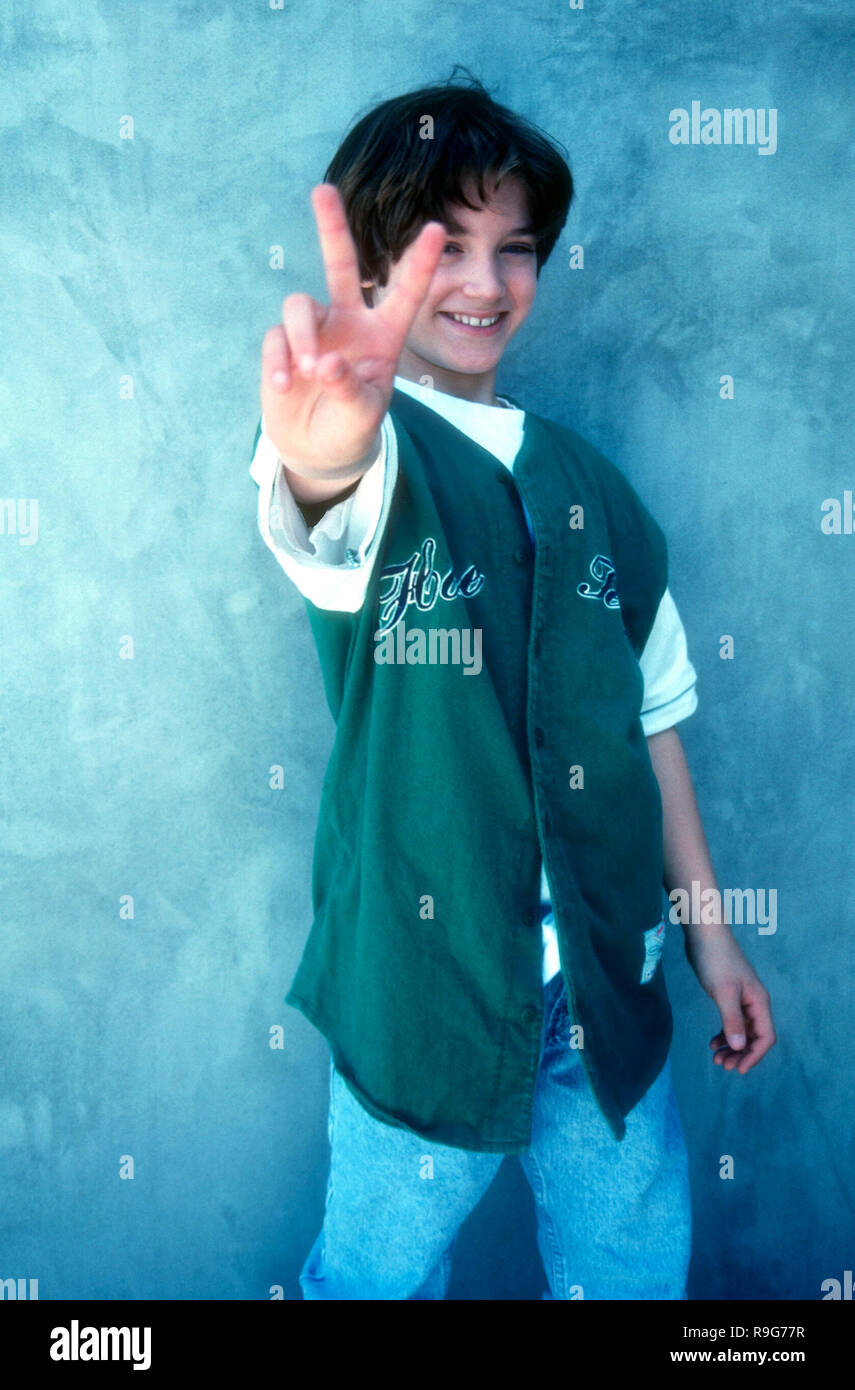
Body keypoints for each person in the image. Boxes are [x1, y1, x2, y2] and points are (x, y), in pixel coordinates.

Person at [249, 75, 776, 1300]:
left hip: (602, 997)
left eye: (516, 250)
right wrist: (326, 446)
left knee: (635, 1267)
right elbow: (322, 496)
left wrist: (711, 935)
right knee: (374, 1277)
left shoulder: (598, 489)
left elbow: (654, 731)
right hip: (423, 999)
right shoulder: (372, 453)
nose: (485, 284)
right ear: (375, 266)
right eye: (445, 248)